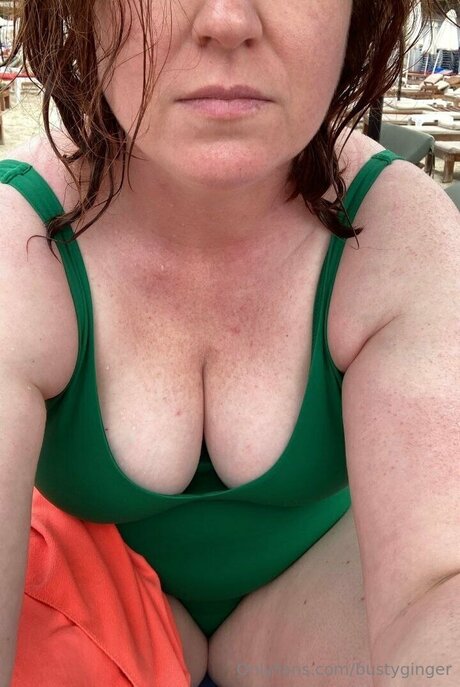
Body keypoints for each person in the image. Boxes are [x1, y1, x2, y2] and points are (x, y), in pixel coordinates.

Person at [0, 1, 458, 686]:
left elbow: (438, 586)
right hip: (101, 611)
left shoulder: (402, 235)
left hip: (315, 609)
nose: (227, 19)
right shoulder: (18, 244)